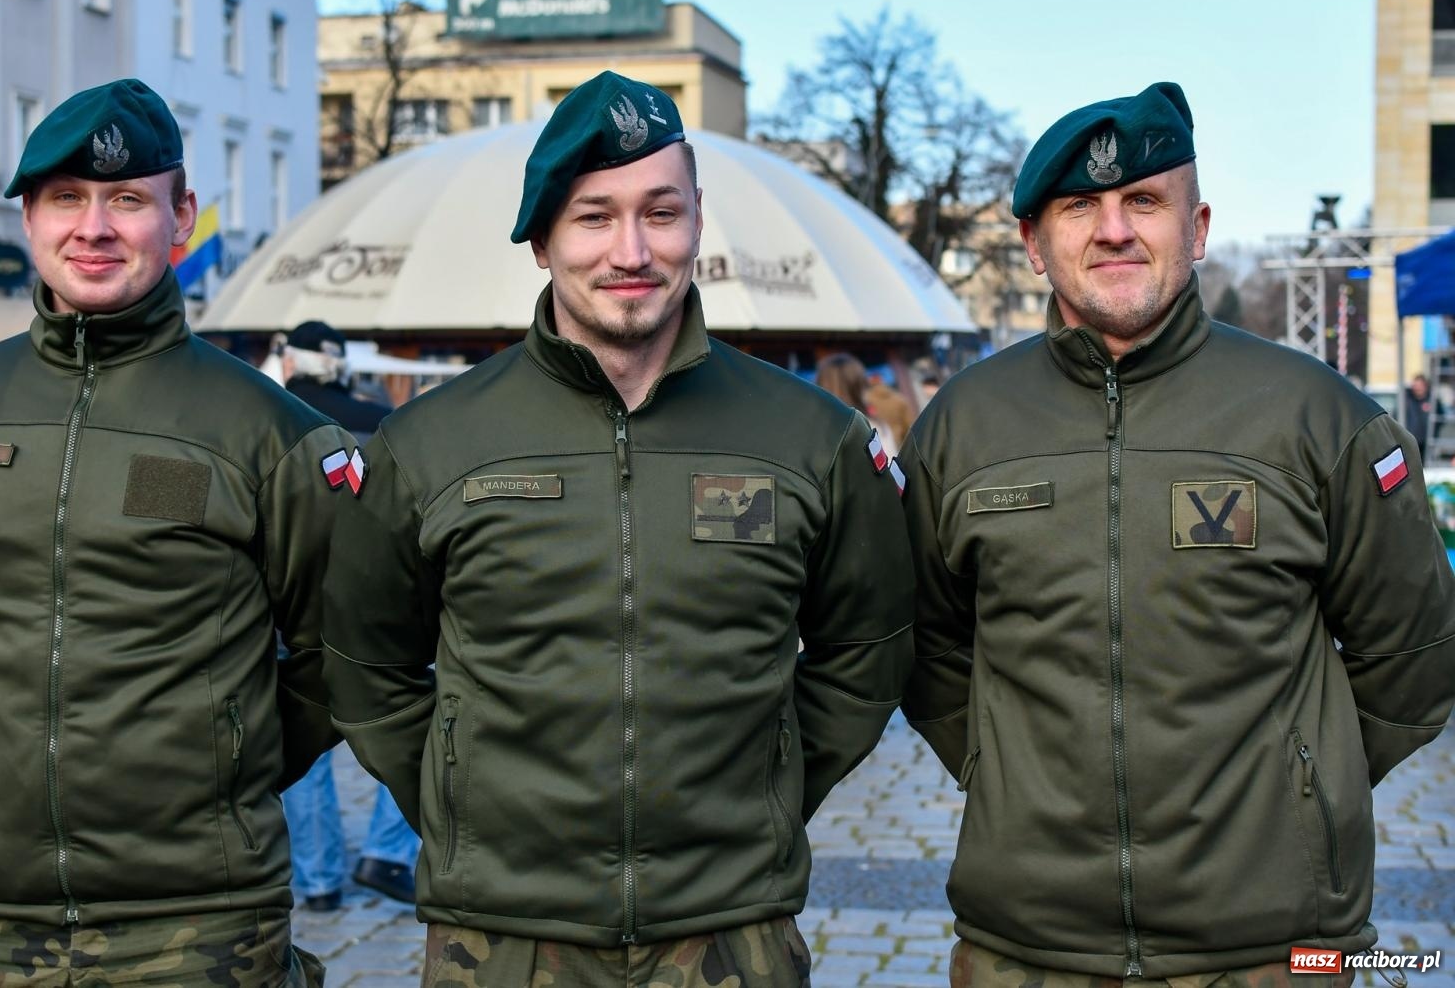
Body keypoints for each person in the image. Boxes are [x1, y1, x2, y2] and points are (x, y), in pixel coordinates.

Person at [322, 70, 914, 987]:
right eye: (594, 217)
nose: (630, 250)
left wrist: (767, 789)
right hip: (500, 941)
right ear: (542, 238)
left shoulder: (810, 439)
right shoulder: (430, 444)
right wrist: (462, 803)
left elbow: (868, 647)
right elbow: (364, 661)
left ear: (698, 222)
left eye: (660, 212)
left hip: (734, 933)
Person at [899, 81, 1455, 986]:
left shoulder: (1319, 418)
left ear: (1196, 230)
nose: (1114, 230)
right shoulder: (960, 430)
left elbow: (1415, 654)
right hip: (1026, 949)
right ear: (1035, 244)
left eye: (1144, 201)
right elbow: (924, 646)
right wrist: (1004, 770)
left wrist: (1299, 788)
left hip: (1276, 952)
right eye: (1080, 207)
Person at [0, 78, 355, 985]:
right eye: (66, 199)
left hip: (202, 922)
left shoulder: (269, 431)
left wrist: (223, 760)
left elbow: (341, 648)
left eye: (127, 200)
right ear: (29, 218)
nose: (93, 228)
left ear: (181, 216)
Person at [277, 320, 419, 912]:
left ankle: (317, 882)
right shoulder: (380, 418)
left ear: (290, 361)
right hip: (376, 602)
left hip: (289, 603)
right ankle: (387, 852)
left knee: (301, 738)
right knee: (411, 720)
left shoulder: (270, 416)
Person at [1404, 372, 1434, 457]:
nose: (1417, 388)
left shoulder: (1432, 400)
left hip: (1427, 442)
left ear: (1425, 386)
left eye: (1420, 385)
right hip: (1409, 441)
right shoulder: (1406, 400)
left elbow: (1440, 417)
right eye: (1415, 385)